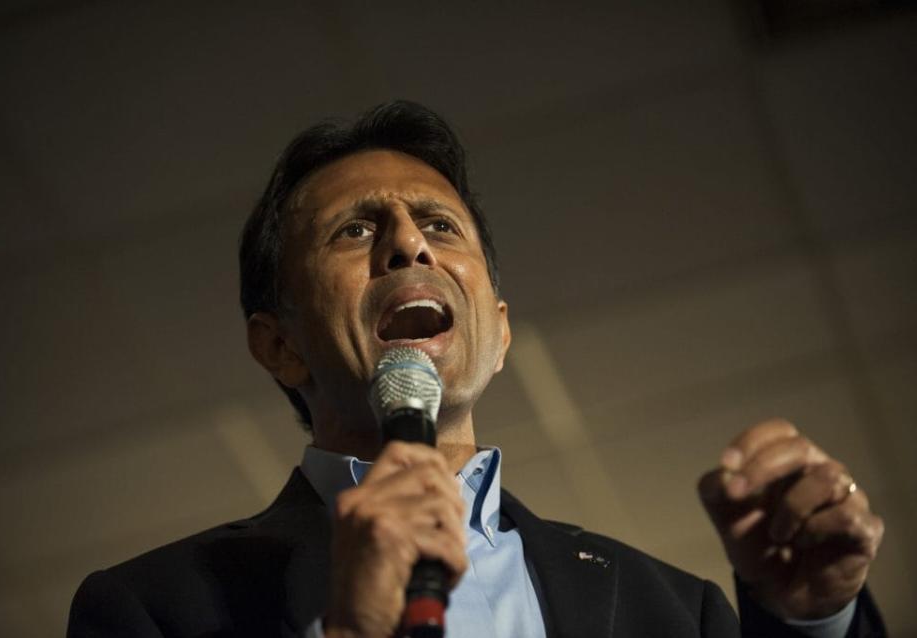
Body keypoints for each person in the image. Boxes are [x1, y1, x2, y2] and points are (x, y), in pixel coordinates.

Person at [67, 101, 886, 637]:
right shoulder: (152, 608)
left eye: (437, 225)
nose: (408, 244)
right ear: (277, 344)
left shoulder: (671, 610)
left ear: (495, 336)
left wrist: (814, 622)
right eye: (355, 231)